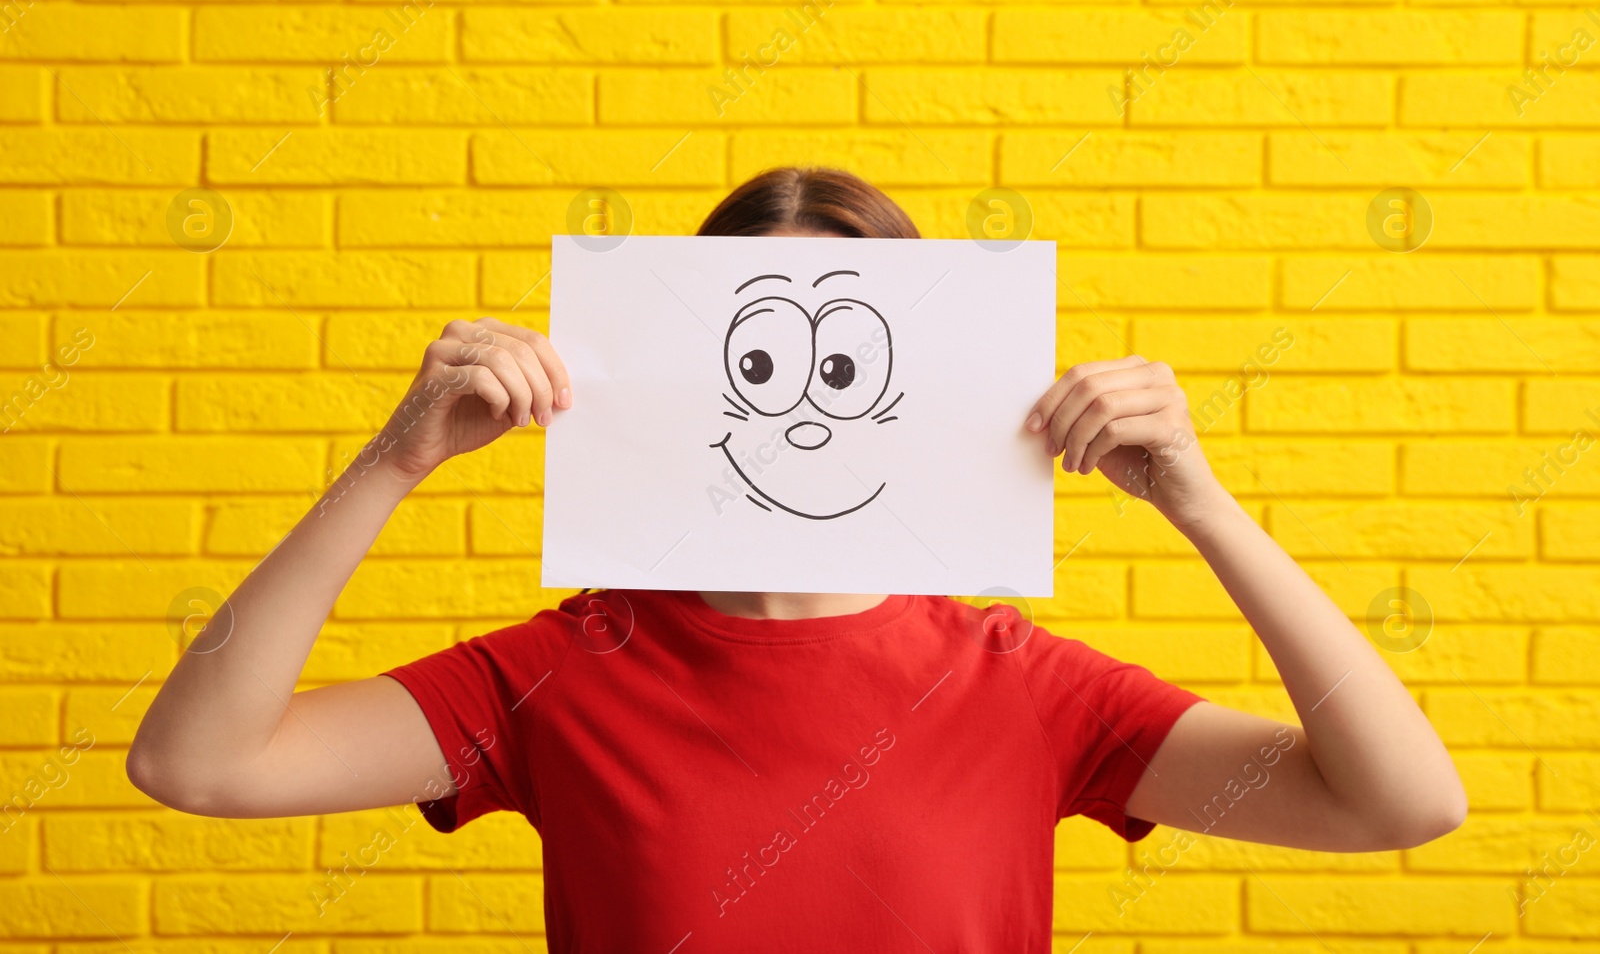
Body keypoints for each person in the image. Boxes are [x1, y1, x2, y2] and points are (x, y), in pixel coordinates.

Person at [128, 166, 1466, 952]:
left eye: (851, 353)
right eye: (753, 356)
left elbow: (1397, 804)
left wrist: (1204, 504)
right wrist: (396, 458)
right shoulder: (555, 676)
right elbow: (197, 763)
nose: (801, 404)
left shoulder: (1029, 687)